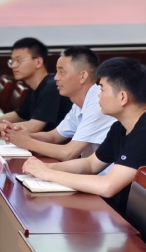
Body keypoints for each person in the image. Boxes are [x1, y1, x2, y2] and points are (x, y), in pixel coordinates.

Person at [22, 57, 146, 216]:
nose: (98, 96)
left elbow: (108, 186)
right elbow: (90, 164)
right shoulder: (119, 126)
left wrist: (49, 174)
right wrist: (45, 168)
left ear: (122, 97)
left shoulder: (143, 132)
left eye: (102, 89)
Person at [2, 47, 114, 160]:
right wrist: (21, 135)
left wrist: (26, 142)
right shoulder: (78, 104)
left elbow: (69, 153)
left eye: (61, 72)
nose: (56, 77)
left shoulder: (99, 104)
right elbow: (53, 137)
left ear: (82, 76)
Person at [0, 37, 72, 133]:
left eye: (19, 60)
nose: (13, 66)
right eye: (12, 61)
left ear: (38, 62)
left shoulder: (52, 86)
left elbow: (34, 126)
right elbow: (20, 115)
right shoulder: (34, 87)